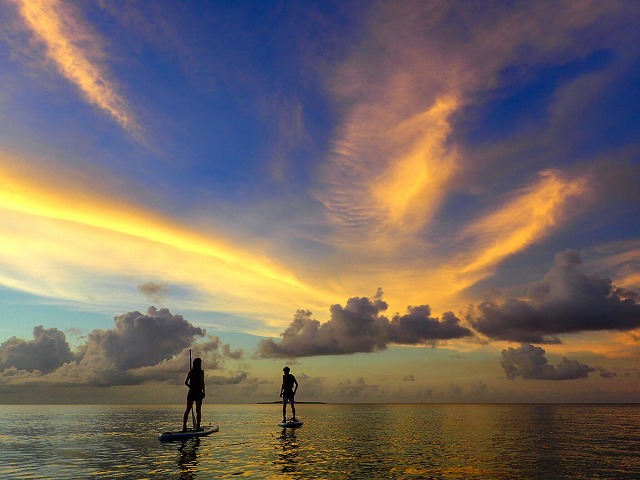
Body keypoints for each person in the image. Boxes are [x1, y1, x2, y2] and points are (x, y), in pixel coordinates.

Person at [183, 357, 205, 431]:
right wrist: (203, 392)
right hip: (198, 392)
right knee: (198, 410)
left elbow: (186, 382)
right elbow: (202, 383)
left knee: (187, 410)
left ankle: (184, 427)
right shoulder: (201, 372)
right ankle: (198, 427)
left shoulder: (191, 371)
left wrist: (190, 387)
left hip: (191, 392)